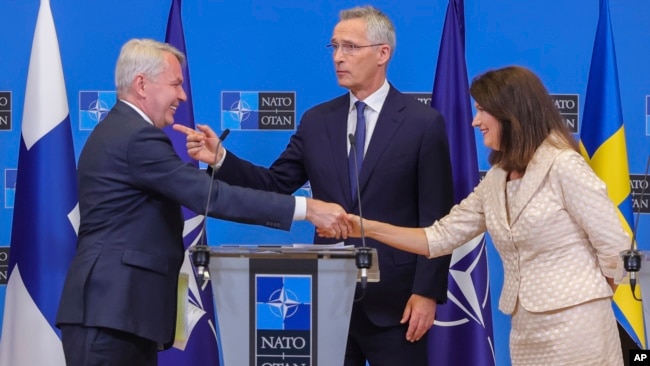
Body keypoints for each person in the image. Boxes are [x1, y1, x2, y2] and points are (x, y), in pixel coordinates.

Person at [175, 5, 454, 365]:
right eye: (334, 47)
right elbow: (275, 184)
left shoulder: (423, 124)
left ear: (383, 53)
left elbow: (437, 218)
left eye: (350, 47)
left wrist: (426, 292)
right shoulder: (317, 120)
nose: (339, 57)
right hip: (328, 299)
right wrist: (222, 159)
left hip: (397, 304)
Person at [55, 38, 349, 366]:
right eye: (176, 84)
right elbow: (211, 196)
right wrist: (307, 209)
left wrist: (222, 160)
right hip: (110, 315)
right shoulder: (137, 137)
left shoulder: (121, 130)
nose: (182, 95)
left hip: (118, 313)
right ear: (141, 84)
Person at [335, 66, 628, 365]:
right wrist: (367, 227)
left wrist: (589, 299)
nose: (475, 121)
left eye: (481, 110)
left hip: (579, 328)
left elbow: (616, 246)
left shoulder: (564, 165)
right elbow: (439, 237)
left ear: (510, 112)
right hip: (525, 329)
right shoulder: (497, 177)